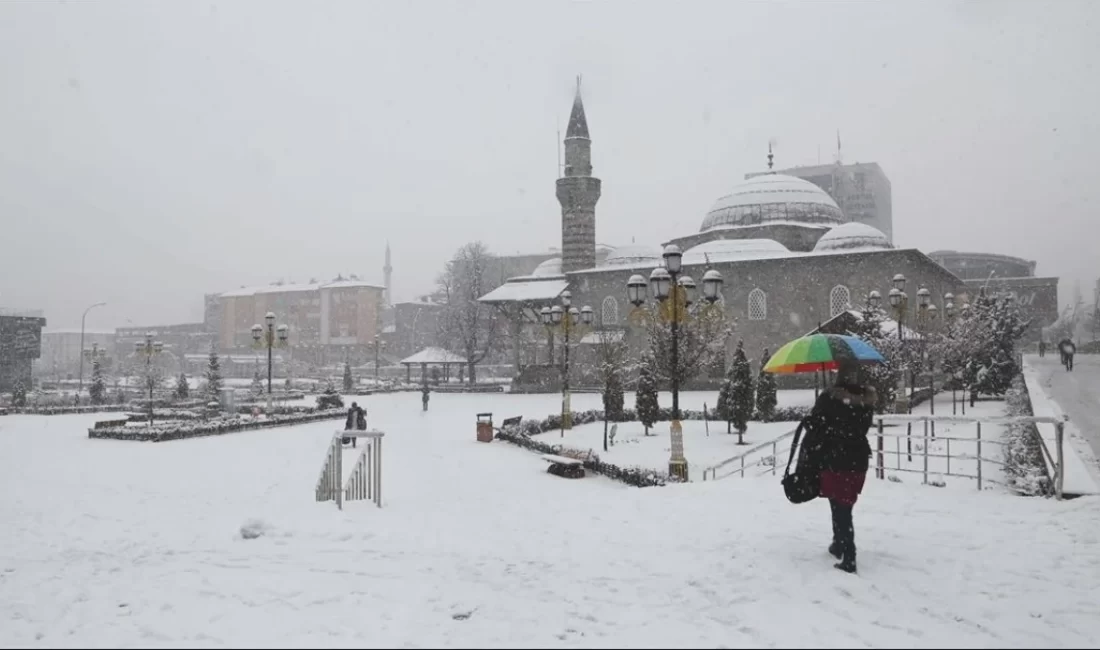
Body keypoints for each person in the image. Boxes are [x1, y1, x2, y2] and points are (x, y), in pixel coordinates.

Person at [798, 360, 877, 574]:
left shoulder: (830, 398)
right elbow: (861, 427)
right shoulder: (866, 400)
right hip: (858, 459)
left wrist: (818, 412)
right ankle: (838, 542)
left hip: (835, 458)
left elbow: (816, 424)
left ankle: (848, 555)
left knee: (840, 505)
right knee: (844, 502)